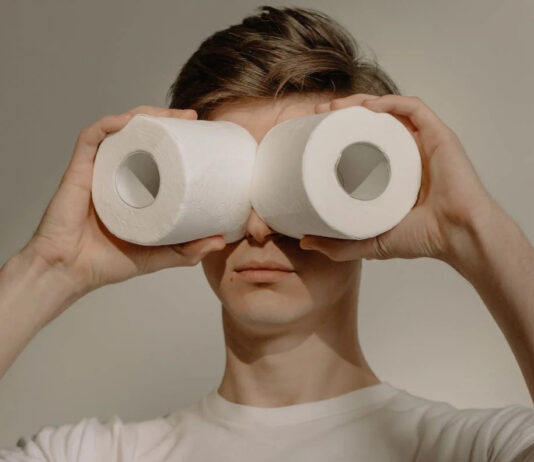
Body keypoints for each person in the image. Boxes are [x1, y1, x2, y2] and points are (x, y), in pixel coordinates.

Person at [1, 5, 533, 461]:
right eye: (229, 189)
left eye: (291, 191)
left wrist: (471, 230)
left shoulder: (471, 450)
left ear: (370, 201)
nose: (258, 227)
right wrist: (51, 267)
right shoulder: (96, 455)